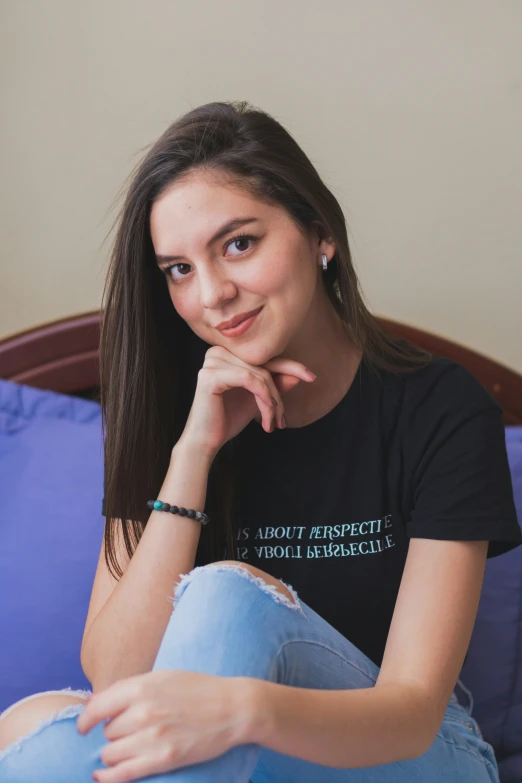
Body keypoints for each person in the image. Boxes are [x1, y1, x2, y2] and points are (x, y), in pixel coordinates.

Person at [1, 100, 520, 783]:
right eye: (179, 269)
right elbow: (119, 670)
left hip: (410, 754)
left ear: (320, 233)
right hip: (246, 763)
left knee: (215, 604)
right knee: (25, 726)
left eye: (238, 243)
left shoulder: (439, 407)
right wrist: (193, 452)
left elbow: (413, 709)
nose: (212, 293)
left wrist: (240, 709)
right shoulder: (170, 413)